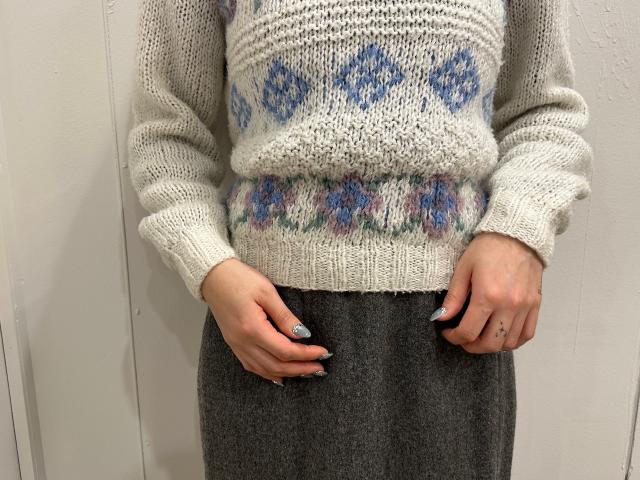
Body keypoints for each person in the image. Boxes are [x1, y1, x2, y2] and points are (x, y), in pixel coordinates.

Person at [127, 0, 593, 478]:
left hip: (454, 328)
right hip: (272, 331)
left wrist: (518, 232)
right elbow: (168, 134)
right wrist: (209, 266)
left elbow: (543, 112)